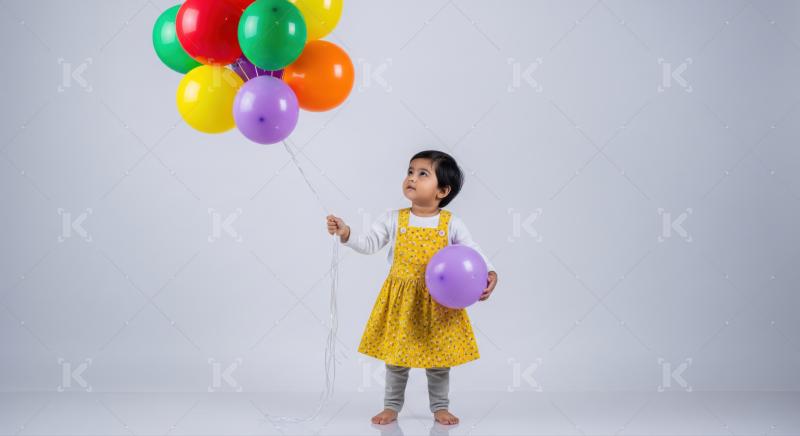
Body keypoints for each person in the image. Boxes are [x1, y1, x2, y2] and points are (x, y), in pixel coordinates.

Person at [325, 150, 498, 425]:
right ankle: (391, 406)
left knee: (439, 360)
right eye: (410, 171)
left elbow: (471, 251)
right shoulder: (394, 219)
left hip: (438, 303)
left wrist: (489, 272)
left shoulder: (450, 223)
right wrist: (346, 233)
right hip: (402, 301)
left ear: (442, 190)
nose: (412, 178)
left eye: (422, 174)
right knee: (396, 360)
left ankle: (440, 407)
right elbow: (369, 243)